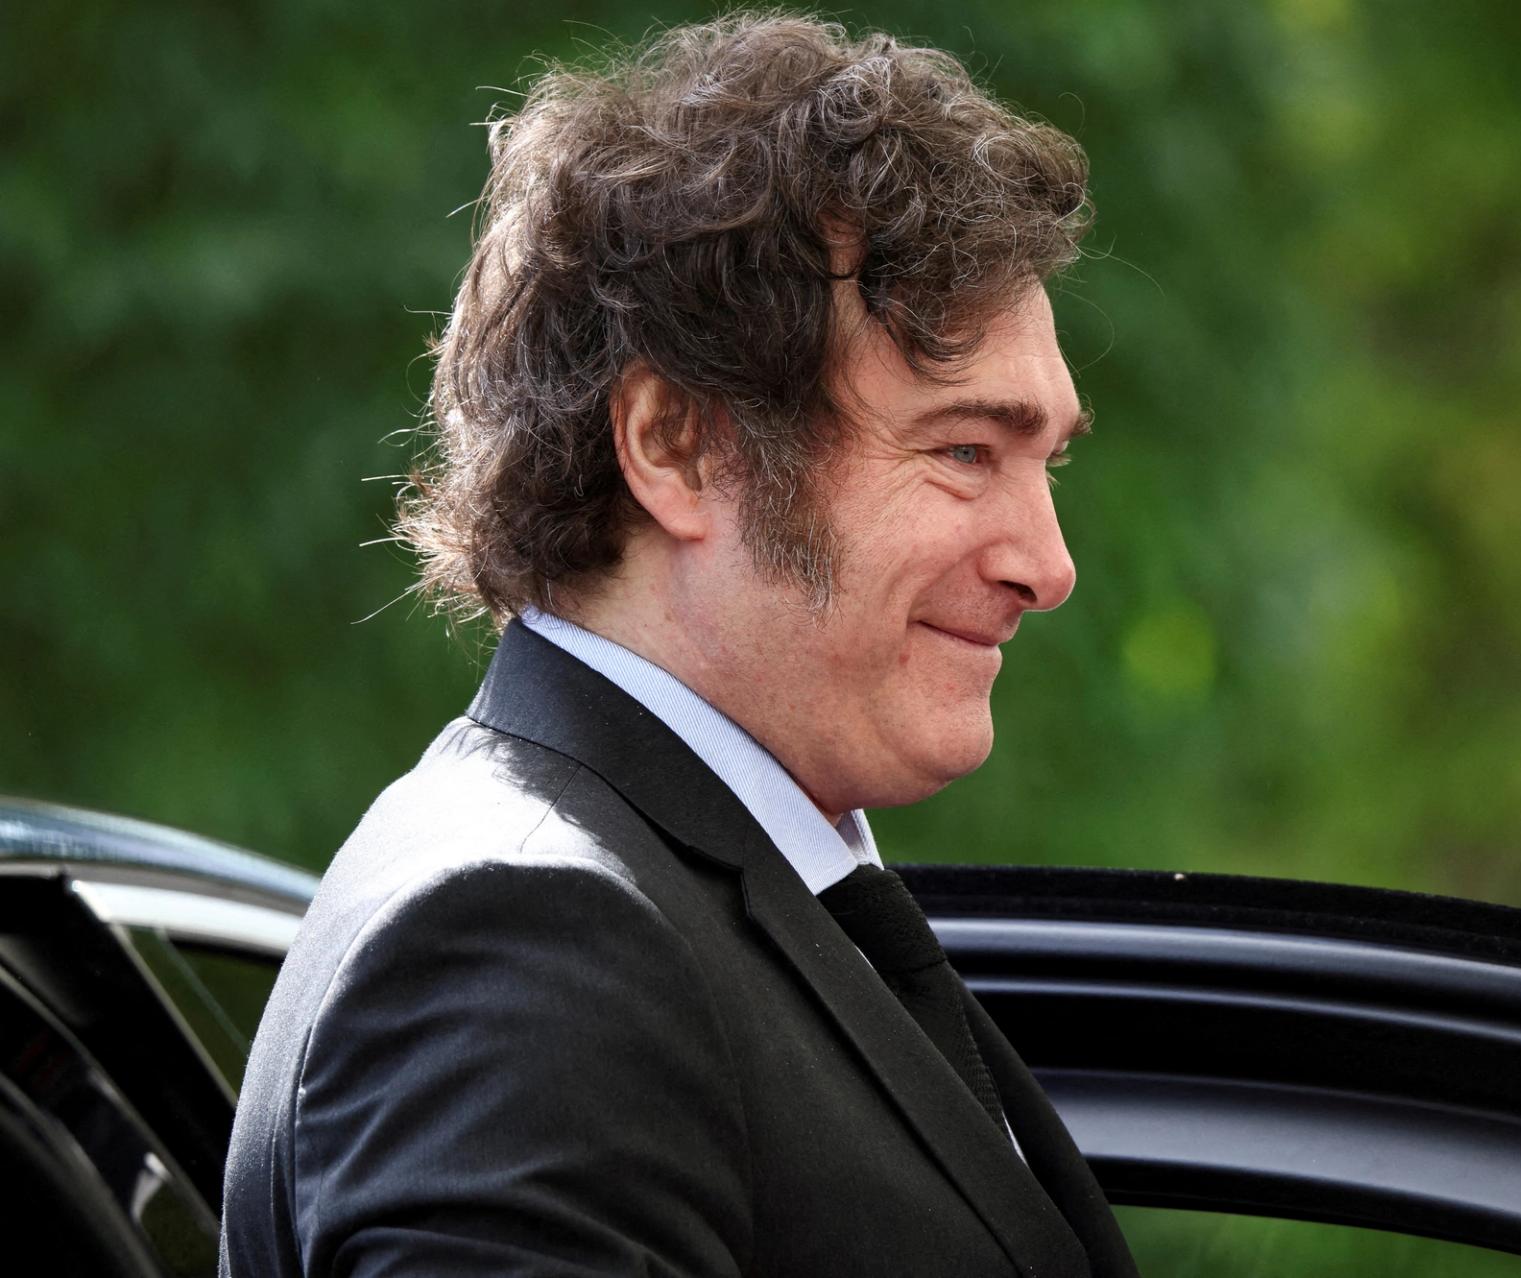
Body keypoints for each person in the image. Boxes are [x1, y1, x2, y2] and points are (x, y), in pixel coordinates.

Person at [219, 12, 1138, 1278]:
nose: (1048, 562)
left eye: (1045, 461)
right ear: (674, 446)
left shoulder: (652, 896)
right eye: (963, 451)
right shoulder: (532, 946)